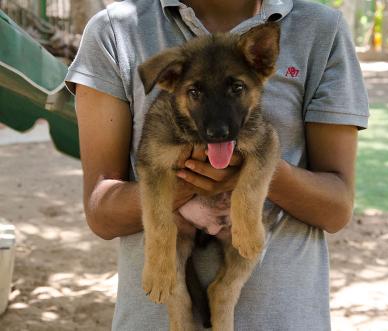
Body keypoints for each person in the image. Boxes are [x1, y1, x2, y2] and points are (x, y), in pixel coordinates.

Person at [65, 0, 369, 330]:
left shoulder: (321, 29)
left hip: (283, 319)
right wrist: (184, 186)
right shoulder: (115, 30)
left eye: (236, 88)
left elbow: (336, 209)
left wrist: (247, 183)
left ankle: (223, 296)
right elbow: (101, 212)